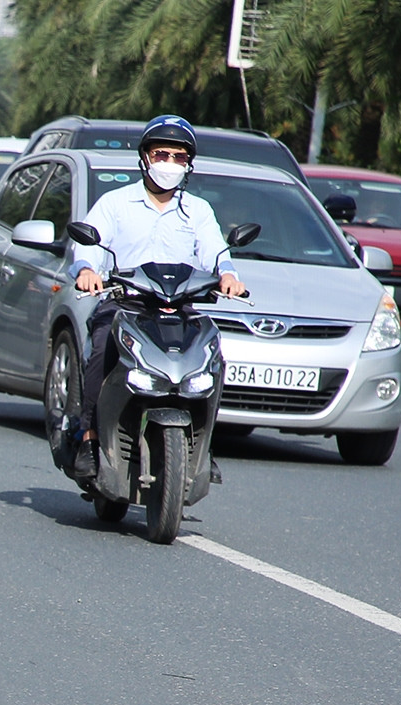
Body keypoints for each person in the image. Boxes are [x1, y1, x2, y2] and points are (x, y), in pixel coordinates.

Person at [70, 114, 244, 480]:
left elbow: (215, 250)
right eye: (161, 154)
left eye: (178, 157)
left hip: (180, 310)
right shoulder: (115, 203)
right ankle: (88, 437)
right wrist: (86, 270)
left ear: (188, 164)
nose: (169, 163)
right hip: (126, 305)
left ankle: (203, 444)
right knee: (101, 349)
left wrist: (228, 275)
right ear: (145, 157)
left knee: (212, 358)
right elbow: (87, 244)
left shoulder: (197, 210)